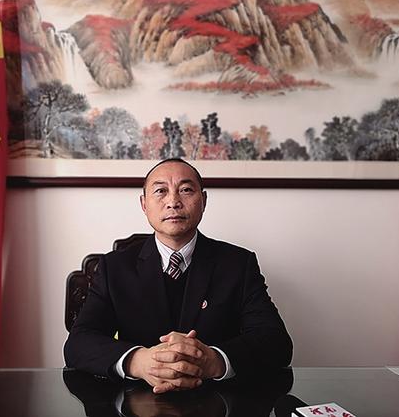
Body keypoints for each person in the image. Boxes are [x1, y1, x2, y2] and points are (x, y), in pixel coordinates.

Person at [64, 158, 292, 393]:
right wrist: (138, 361)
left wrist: (215, 360)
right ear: (144, 204)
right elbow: (79, 343)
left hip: (218, 398)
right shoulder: (114, 267)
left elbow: (275, 341)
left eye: (186, 190)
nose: (173, 202)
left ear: (203, 200)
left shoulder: (238, 264)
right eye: (160, 191)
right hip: (136, 398)